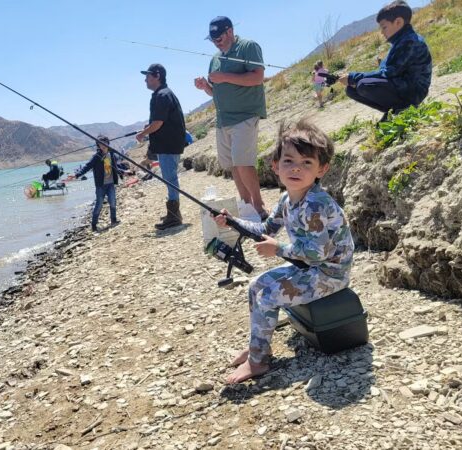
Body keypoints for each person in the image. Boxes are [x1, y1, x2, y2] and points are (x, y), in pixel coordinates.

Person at [212, 119, 354, 384]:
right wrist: (232, 221)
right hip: (308, 267)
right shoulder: (287, 199)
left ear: (322, 169)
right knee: (256, 285)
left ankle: (258, 362)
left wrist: (278, 249)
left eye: (306, 163)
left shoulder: (316, 205)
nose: (296, 168)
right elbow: (265, 228)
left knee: (268, 296)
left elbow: (318, 253)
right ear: (276, 165)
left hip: (330, 273)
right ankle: (258, 346)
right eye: (289, 161)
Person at [194, 16, 268, 221]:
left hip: (245, 116)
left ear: (230, 31)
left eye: (219, 37)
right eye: (212, 39)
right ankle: (246, 205)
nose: (216, 42)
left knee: (243, 163)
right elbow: (216, 93)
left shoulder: (248, 47)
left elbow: (258, 77)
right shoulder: (215, 59)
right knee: (234, 165)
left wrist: (225, 76)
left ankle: (259, 207)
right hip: (223, 121)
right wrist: (205, 87)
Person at [338, 1, 432, 121]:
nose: (382, 32)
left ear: (398, 22)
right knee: (351, 90)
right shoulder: (400, 41)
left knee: (363, 84)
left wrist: (353, 77)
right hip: (404, 87)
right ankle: (393, 110)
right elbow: (388, 70)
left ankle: (403, 108)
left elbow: (388, 73)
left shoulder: (409, 41)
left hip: (413, 92)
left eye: (384, 27)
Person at [135, 63, 187, 230]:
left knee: (170, 179)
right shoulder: (164, 94)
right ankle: (173, 213)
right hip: (170, 144)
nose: (145, 80)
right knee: (170, 178)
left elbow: (158, 123)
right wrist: (148, 127)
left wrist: (142, 134)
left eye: (148, 76)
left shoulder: (162, 95)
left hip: (168, 145)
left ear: (157, 76)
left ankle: (174, 217)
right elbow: (160, 120)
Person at [75, 135, 121, 232]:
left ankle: (113, 220)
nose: (102, 145)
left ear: (108, 143)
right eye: (100, 144)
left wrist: (124, 172)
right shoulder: (96, 157)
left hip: (110, 184)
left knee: (113, 202)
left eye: (104, 143)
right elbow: (87, 166)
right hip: (101, 185)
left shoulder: (112, 154)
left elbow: (115, 168)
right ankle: (94, 225)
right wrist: (77, 175)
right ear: (98, 146)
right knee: (99, 205)